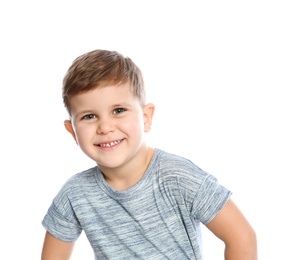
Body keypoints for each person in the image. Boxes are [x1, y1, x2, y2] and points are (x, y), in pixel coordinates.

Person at [41, 49, 257, 260]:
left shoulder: (178, 177)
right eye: (89, 116)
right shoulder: (75, 194)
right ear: (72, 132)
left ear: (145, 117)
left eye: (118, 110)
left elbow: (242, 238)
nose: (105, 127)